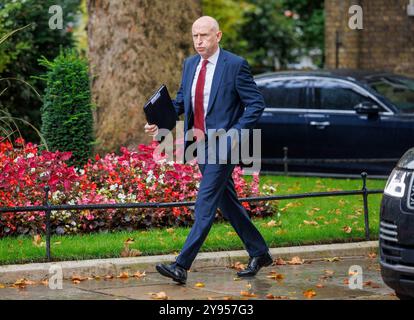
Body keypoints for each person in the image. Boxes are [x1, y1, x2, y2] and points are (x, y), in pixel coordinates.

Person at [144, 16, 272, 284]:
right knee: (228, 203)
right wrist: (160, 123)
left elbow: (256, 104)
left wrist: (236, 133)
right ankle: (259, 252)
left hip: (224, 146)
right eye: (194, 36)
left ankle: (181, 265)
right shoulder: (190, 64)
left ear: (218, 36)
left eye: (204, 35)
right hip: (198, 143)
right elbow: (181, 102)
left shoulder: (235, 66)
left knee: (204, 203)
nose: (198, 41)